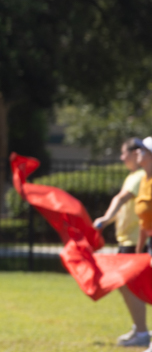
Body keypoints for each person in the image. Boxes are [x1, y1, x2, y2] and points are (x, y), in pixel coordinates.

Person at [93, 138, 148, 347]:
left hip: (135, 242)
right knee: (129, 286)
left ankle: (142, 332)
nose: (122, 157)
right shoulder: (135, 176)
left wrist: (106, 219)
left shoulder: (140, 177)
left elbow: (121, 199)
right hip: (130, 240)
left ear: (135, 153)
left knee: (129, 286)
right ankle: (140, 328)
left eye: (124, 153)